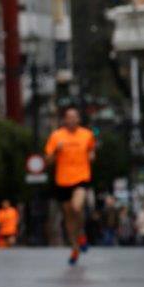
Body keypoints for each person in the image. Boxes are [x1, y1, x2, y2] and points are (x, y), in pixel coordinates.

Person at [45, 106, 95, 264]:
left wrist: (92, 156)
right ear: (64, 120)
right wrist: (55, 152)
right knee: (68, 217)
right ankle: (75, 247)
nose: (72, 120)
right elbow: (47, 161)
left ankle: (81, 234)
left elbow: (92, 152)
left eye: (75, 117)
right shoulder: (56, 136)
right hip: (63, 180)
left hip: (81, 178)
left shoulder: (87, 135)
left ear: (79, 119)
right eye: (69, 117)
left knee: (76, 207)